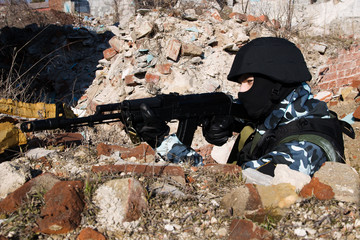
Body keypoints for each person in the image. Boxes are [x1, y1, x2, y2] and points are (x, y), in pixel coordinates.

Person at [134, 37, 354, 176]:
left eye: (249, 82)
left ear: (275, 87)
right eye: (240, 84)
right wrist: (224, 120)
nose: (241, 91)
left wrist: (165, 143)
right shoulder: (284, 111)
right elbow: (261, 120)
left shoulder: (303, 148)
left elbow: (225, 184)